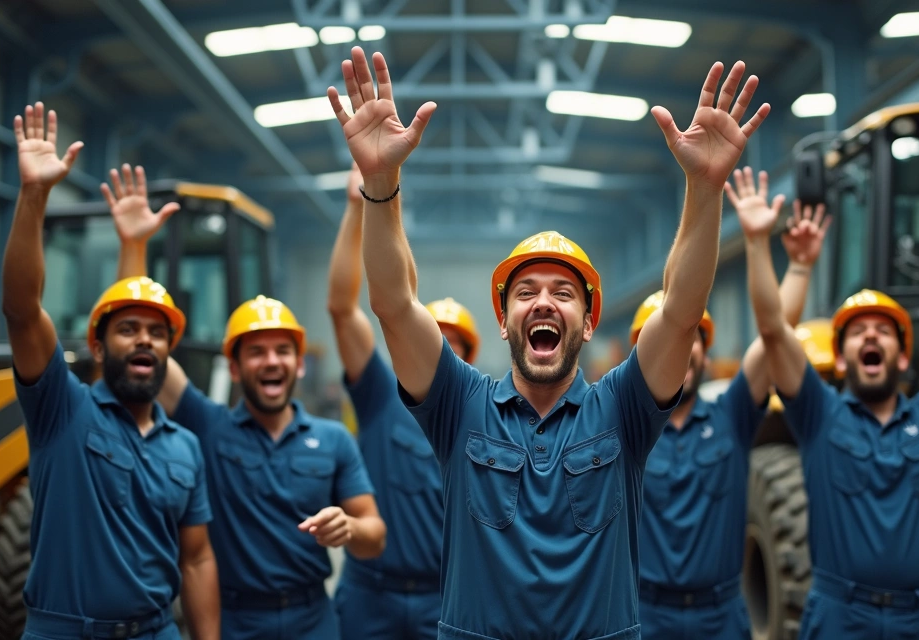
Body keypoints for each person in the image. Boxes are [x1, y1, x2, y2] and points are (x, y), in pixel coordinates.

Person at [327, 45, 770, 639]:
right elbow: (392, 303)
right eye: (525, 292)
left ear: (588, 324)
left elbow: (682, 309)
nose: (543, 302)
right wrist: (381, 185)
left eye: (564, 294)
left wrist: (705, 190)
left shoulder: (624, 410)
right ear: (504, 318)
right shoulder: (458, 406)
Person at [102, 163, 386, 640]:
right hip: (233, 620)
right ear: (234, 369)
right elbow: (143, 349)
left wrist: (350, 530)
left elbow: (375, 535)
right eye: (255, 352)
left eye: (281, 351)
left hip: (314, 619)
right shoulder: (206, 427)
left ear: (299, 364)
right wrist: (134, 247)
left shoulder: (333, 440)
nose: (269, 361)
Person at [748, 162, 919, 640]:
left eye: (883, 332)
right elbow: (773, 331)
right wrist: (775, 253)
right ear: (840, 359)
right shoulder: (818, 414)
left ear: (902, 355)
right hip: (840, 618)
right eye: (858, 332)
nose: (871, 338)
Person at [1, 102, 219, 640]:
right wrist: (33, 196)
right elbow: (23, 310)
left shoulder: (184, 447)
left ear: (169, 350)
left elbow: (196, 560)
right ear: (97, 348)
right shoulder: (63, 412)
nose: (144, 337)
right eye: (126, 330)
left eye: (157, 331)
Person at [634, 170, 831, 638]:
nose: (681, 353)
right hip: (645, 616)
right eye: (663, 344)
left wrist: (796, 266)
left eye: (692, 341)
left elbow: (775, 336)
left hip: (721, 617)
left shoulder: (732, 417)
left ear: (706, 351)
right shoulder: (625, 431)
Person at [326, 163, 481, 640]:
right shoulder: (379, 393)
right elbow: (341, 307)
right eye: (438, 338)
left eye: (457, 344)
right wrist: (358, 208)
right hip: (371, 595)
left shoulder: (485, 416)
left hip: (447, 600)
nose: (445, 351)